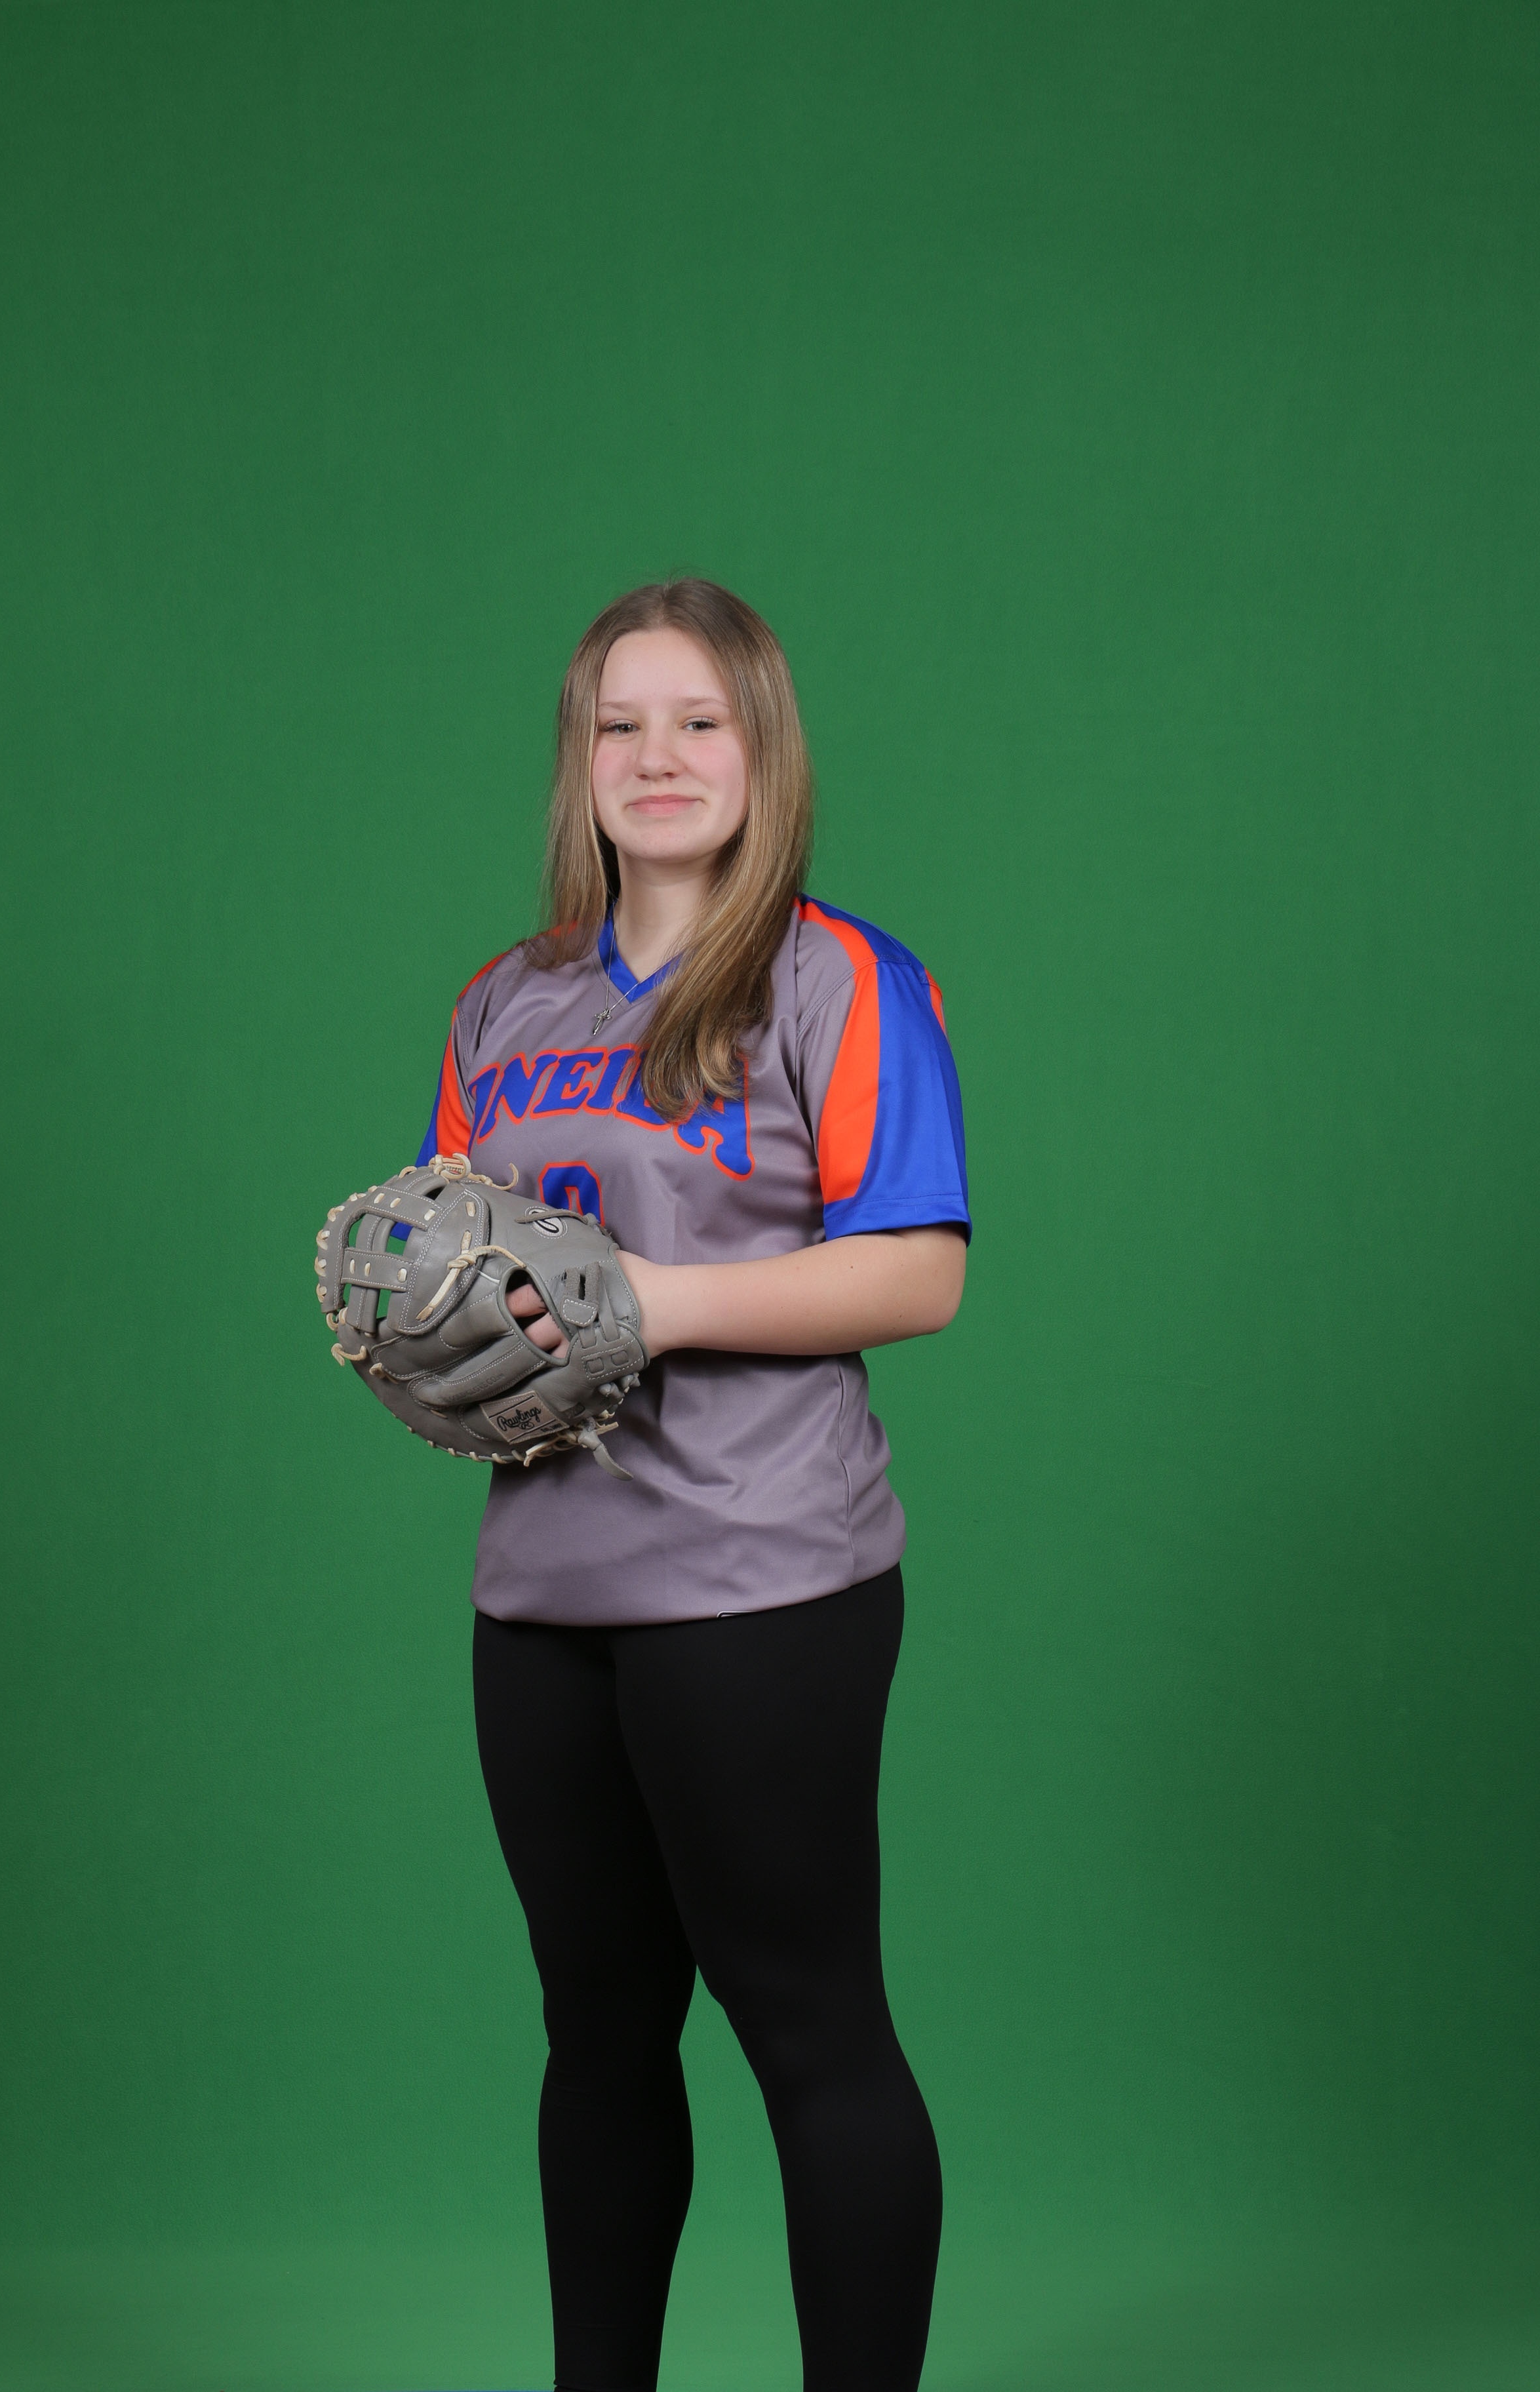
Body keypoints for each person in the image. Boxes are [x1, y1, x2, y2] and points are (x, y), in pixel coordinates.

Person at [416, 578, 970, 2392]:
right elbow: (461, 1261)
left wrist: (651, 1304)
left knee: (809, 2028)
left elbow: (918, 1272)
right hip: (542, 1589)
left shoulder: (838, 977)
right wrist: (428, 1345)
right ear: (579, 759)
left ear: (761, 748)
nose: (657, 757)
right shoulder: (506, 1000)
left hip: (763, 1577)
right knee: (596, 2036)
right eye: (619, 724)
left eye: (699, 720)